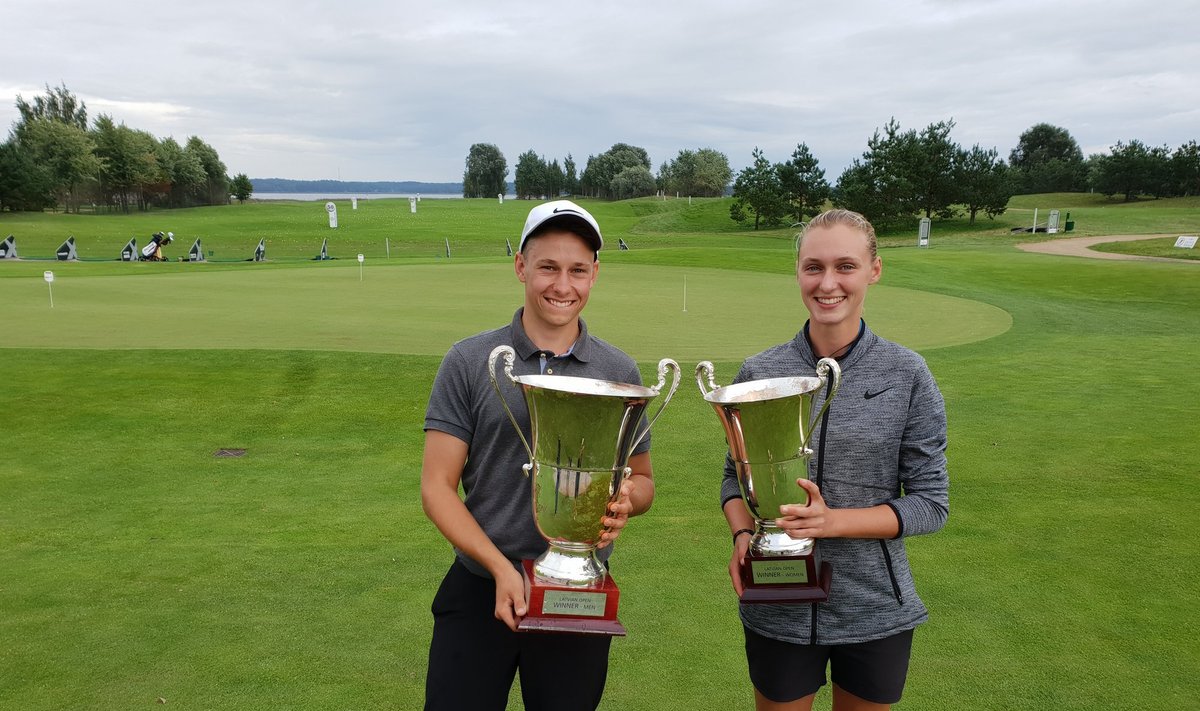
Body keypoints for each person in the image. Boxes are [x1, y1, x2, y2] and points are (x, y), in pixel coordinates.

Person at [421, 200, 655, 711]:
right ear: (521, 266)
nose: (562, 285)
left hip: (577, 592)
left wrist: (625, 500)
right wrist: (501, 569)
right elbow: (437, 488)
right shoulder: (468, 360)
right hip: (481, 586)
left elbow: (642, 481)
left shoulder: (618, 368)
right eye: (548, 266)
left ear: (595, 274)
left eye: (577, 270)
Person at [721, 209, 949, 711]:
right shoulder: (761, 370)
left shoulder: (908, 372)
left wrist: (831, 522)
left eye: (845, 266)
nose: (828, 283)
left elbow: (931, 503)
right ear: (798, 271)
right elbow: (733, 479)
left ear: (874, 270)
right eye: (813, 267)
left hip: (874, 606)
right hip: (776, 600)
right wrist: (742, 534)